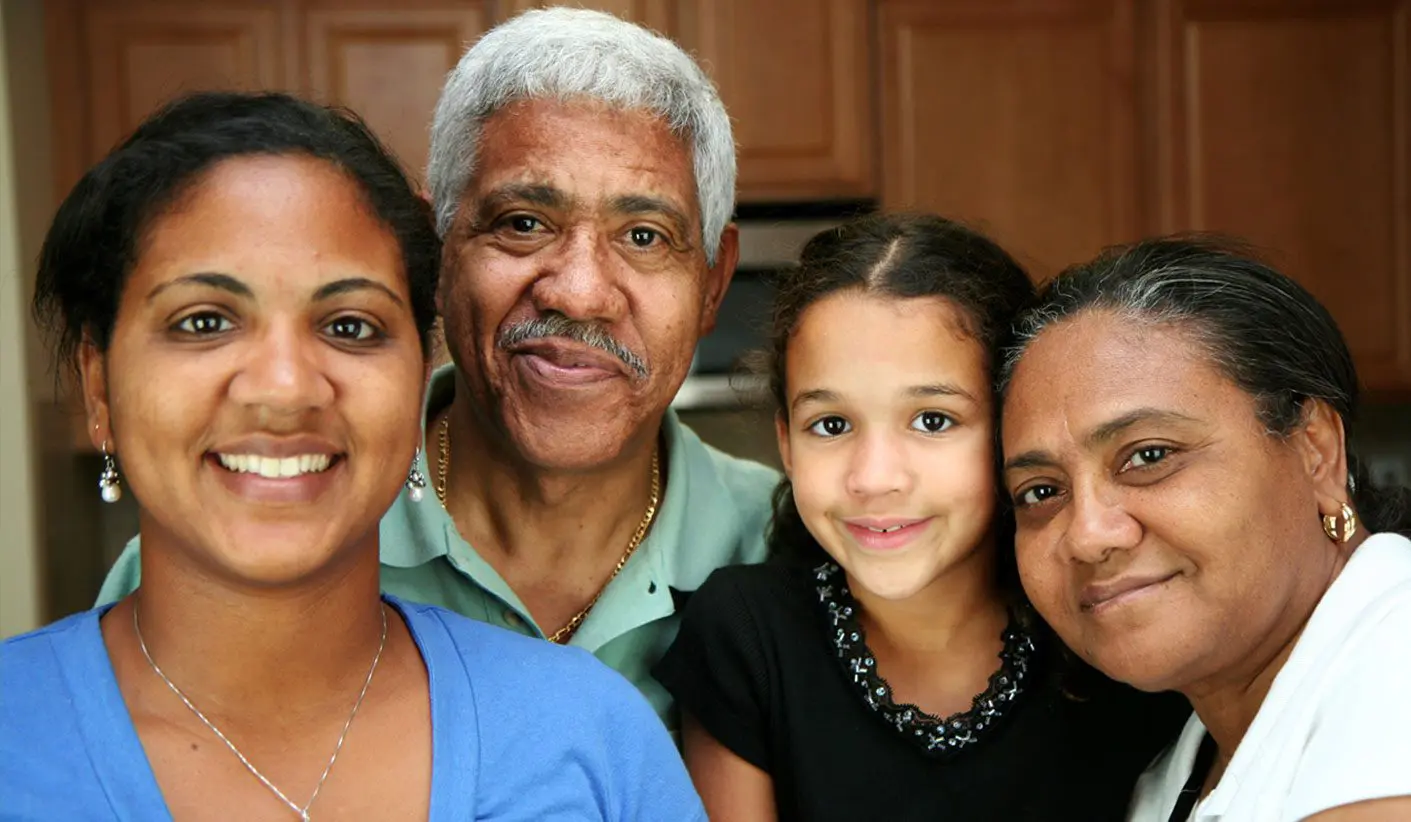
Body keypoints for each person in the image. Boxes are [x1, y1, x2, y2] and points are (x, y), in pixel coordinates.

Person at [0, 91, 705, 821]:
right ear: (99, 388)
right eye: (204, 321)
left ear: (419, 374)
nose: (284, 388)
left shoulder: (591, 735)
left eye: (349, 325)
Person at [95, 7, 778, 734]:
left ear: (711, 282)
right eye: (522, 223)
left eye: (643, 236)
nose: (578, 292)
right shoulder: (239, 544)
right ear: (435, 254)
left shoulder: (802, 546)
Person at [654, 213, 1189, 821]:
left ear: (1011, 429)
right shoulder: (747, 636)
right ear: (785, 442)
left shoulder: (1109, 624)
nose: (875, 477)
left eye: (932, 420)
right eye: (831, 426)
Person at [998, 236, 1411, 821]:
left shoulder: (1398, 656)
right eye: (1041, 492)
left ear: (1315, 451)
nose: (1088, 534)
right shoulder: (1176, 772)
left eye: (1148, 456)